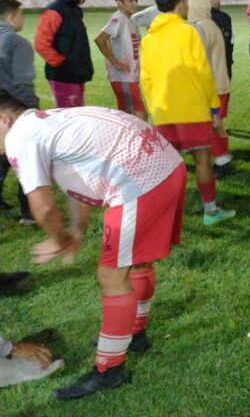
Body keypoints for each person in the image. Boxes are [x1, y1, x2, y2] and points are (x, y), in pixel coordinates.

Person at [0, 91, 187, 400]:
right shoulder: (47, 122)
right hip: (163, 166)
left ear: (4, 119)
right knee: (136, 262)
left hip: (141, 179)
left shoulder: (21, 136)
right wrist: (75, 230)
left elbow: (43, 208)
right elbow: (81, 183)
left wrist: (58, 240)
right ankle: (134, 334)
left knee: (112, 276)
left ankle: (109, 370)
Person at [140, 0, 235, 225]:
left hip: (162, 111)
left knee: (168, 168)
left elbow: (146, 79)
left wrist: (155, 108)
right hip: (193, 110)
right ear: (181, 4)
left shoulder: (149, 38)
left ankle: (166, 216)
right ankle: (210, 211)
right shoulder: (189, 32)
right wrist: (214, 108)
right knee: (202, 161)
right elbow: (203, 72)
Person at [188, 0, 233, 177]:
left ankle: (222, 158)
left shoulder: (200, 28)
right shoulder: (210, 24)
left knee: (208, 124)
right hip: (221, 83)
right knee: (217, 124)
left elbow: (198, 60)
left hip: (211, 86)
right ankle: (223, 156)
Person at [0, 0, 36, 224]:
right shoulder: (17, 42)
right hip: (13, 109)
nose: (23, 19)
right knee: (26, 159)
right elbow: (22, 84)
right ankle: (29, 213)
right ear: (12, 16)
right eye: (21, 14)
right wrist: (32, 111)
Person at [34, 0, 93, 108]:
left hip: (76, 73)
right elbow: (41, 44)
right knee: (68, 116)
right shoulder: (54, 11)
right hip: (63, 75)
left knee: (77, 112)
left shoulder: (76, 10)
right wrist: (62, 62)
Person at [95, 0, 146, 122]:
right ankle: (144, 140)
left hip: (131, 75)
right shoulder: (118, 19)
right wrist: (115, 63)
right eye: (130, 0)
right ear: (119, 2)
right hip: (123, 76)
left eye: (136, 0)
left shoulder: (130, 20)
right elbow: (100, 39)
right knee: (139, 112)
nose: (135, 4)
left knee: (126, 114)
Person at [202, 0, 235, 80]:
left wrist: (229, 60)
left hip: (225, 63)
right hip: (209, 66)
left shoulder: (225, 17)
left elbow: (230, 41)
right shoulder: (202, 18)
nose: (218, 0)